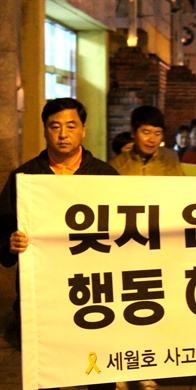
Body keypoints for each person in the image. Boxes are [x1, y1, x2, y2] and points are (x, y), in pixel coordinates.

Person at [0, 97, 118, 390]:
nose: (63, 134)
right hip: (44, 297)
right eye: (55, 126)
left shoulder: (105, 176)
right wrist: (9, 243)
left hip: (95, 293)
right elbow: (2, 231)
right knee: (45, 375)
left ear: (83, 130)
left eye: (70, 126)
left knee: (99, 371)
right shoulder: (25, 178)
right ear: (44, 130)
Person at [109, 105, 183, 176]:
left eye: (157, 134)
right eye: (146, 133)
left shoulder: (172, 167)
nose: (152, 140)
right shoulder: (116, 166)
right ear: (133, 132)